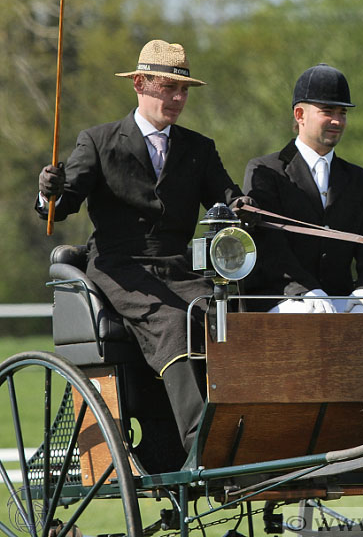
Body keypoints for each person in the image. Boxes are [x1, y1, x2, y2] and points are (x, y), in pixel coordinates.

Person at [36, 39, 252, 454]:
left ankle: (247, 434)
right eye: (167, 86)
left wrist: (245, 206)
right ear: (139, 83)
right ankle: (201, 448)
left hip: (179, 267)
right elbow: (62, 205)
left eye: (183, 89)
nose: (177, 97)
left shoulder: (198, 148)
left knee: (233, 316)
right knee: (175, 321)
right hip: (120, 268)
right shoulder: (98, 141)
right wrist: (50, 193)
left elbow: (228, 197)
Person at [242, 63, 363, 314]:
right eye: (327, 111)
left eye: (342, 113)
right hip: (282, 296)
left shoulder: (359, 179)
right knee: (311, 313)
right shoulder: (265, 171)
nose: (337, 120)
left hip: (337, 298)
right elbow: (270, 246)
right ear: (300, 114)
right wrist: (304, 289)